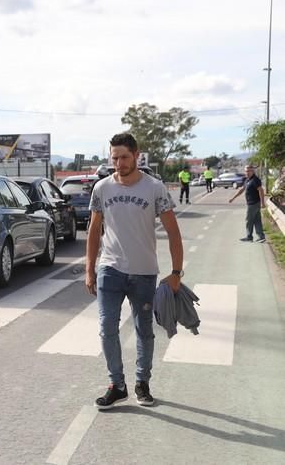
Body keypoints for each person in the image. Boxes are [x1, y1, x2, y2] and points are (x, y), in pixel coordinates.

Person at [86, 132, 184, 410]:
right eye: (114, 158)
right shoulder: (102, 188)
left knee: (144, 331)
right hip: (110, 269)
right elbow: (94, 231)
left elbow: (173, 233)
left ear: (136, 155)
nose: (119, 163)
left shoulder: (154, 188)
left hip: (143, 272)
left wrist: (176, 272)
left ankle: (142, 383)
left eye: (124, 157)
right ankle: (117, 385)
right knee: (107, 328)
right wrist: (89, 269)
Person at [229, 165, 266, 243]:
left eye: (249, 171)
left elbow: (261, 191)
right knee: (257, 220)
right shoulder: (247, 180)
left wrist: (262, 203)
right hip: (251, 203)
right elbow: (242, 190)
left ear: (253, 171)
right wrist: (233, 198)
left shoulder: (255, 180)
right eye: (246, 171)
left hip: (254, 203)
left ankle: (249, 236)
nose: (247, 172)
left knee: (249, 220)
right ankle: (261, 236)